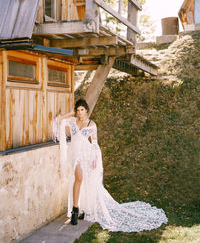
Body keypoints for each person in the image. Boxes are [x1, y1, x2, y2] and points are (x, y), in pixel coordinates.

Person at [52, 98, 168, 232]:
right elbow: (58, 120)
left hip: (87, 154)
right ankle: (75, 210)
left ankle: (83, 208)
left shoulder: (91, 124)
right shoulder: (72, 121)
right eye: (78, 110)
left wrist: (94, 159)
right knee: (78, 179)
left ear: (87, 110)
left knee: (87, 181)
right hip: (75, 154)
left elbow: (94, 143)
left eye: (82, 110)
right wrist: (70, 113)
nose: (80, 113)